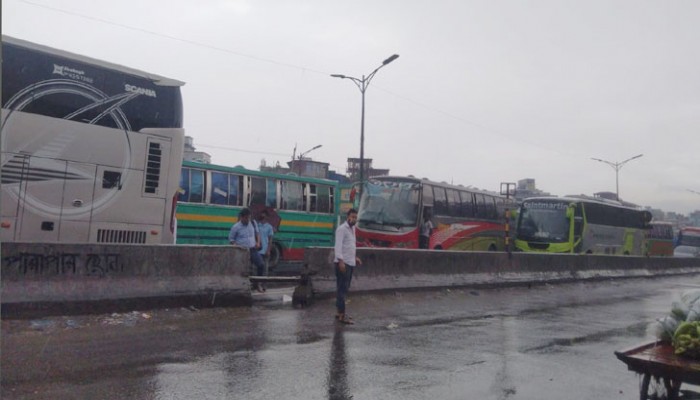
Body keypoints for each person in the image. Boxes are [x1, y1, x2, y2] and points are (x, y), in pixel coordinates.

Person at [333, 208, 362, 325]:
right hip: (343, 263)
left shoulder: (352, 229)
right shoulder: (342, 229)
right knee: (342, 289)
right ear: (347, 217)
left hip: (350, 262)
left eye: (355, 217)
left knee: (343, 288)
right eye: (352, 217)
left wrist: (355, 257)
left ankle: (339, 312)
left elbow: (349, 246)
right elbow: (338, 246)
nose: (354, 219)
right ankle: (342, 315)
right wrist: (340, 261)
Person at [228, 208, 266, 292]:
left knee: (261, 265)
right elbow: (231, 240)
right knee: (244, 269)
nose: (247, 220)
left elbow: (257, 233)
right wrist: (237, 246)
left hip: (252, 249)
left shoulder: (253, 223)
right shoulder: (236, 227)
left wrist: (258, 242)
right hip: (242, 251)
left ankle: (258, 283)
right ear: (241, 217)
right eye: (246, 218)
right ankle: (241, 285)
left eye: (249, 217)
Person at [257, 210, 275, 279]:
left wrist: (268, 250)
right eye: (262, 215)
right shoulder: (257, 225)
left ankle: (263, 284)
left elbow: (270, 239)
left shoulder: (269, 227)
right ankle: (257, 284)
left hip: (265, 250)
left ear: (267, 217)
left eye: (264, 215)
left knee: (265, 268)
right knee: (257, 268)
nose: (263, 217)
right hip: (257, 250)